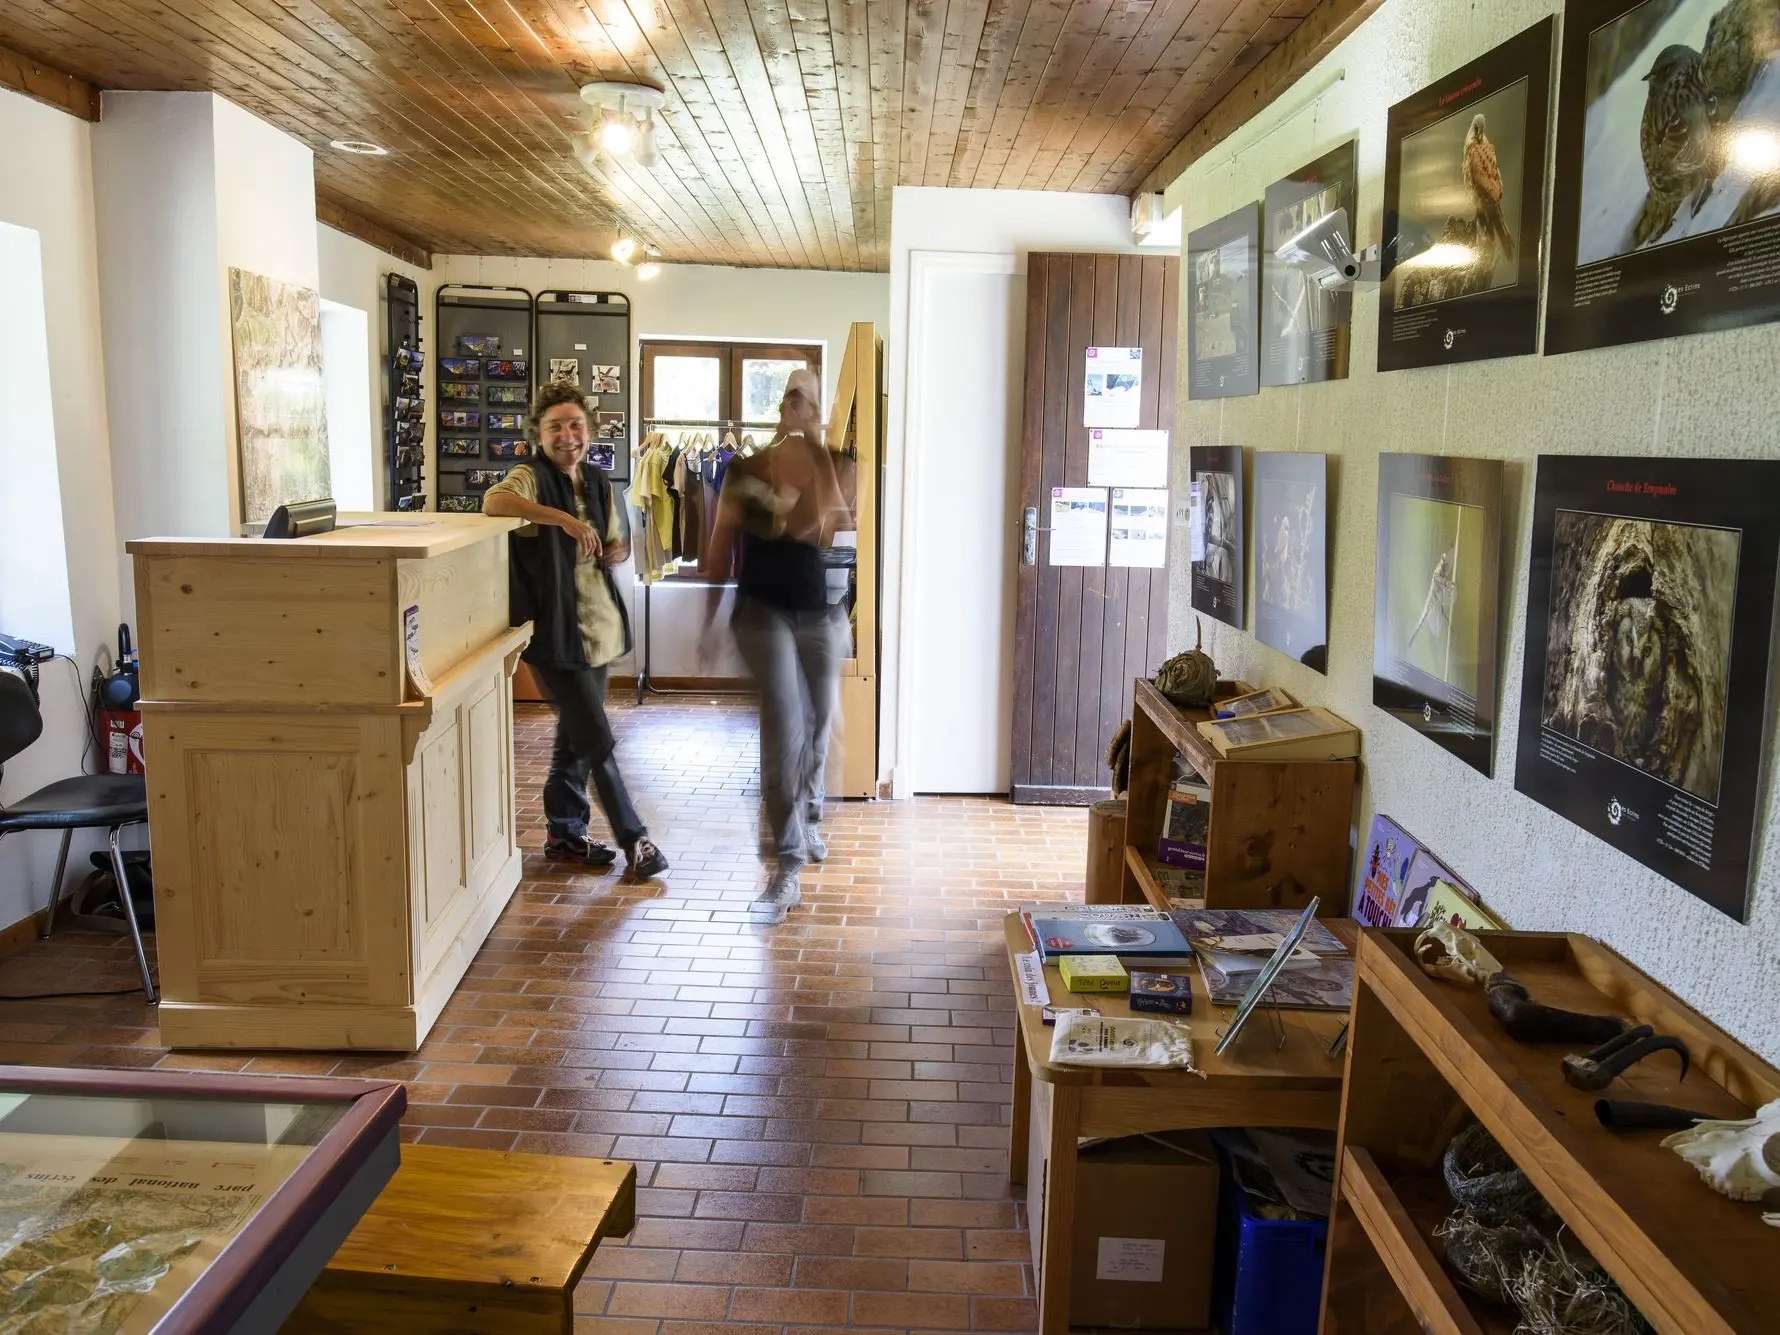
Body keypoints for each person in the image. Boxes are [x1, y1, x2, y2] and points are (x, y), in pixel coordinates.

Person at [484, 382, 668, 880]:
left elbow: (614, 543)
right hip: (553, 634)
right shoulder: (529, 476)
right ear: (539, 434)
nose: (567, 435)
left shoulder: (598, 479)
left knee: (576, 736)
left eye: (575, 425)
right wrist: (562, 520)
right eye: (555, 427)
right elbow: (494, 504)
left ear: (589, 429)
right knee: (596, 739)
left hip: (598, 630)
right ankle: (636, 840)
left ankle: (565, 834)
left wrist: (616, 551)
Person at [705, 369, 851, 922]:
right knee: (782, 731)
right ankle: (785, 867)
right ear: (780, 405)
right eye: (792, 397)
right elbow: (721, 542)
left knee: (819, 726)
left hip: (817, 612)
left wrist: (817, 453)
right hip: (761, 613)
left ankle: (810, 817)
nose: (799, 406)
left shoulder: (826, 461)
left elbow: (827, 523)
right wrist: (705, 619)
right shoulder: (746, 466)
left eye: (808, 400)